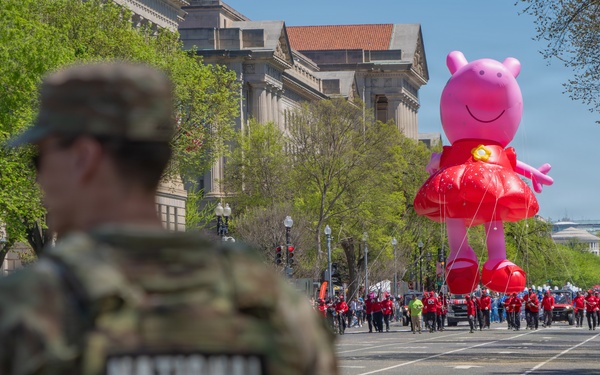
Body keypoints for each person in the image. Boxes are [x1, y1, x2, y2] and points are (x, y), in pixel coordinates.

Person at [0, 62, 338, 375]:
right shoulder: (274, 305)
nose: (39, 179)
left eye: (39, 159)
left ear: (84, 158)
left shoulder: (27, 307)